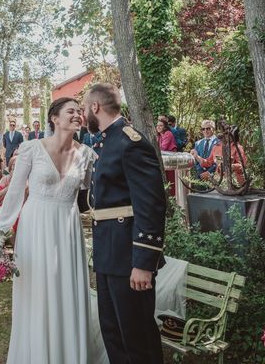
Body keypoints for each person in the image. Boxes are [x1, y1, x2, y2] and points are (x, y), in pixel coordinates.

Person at [0, 97, 97, 363]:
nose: (77, 115)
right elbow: (15, 193)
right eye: (70, 111)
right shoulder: (31, 149)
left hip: (68, 226)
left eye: (79, 112)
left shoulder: (86, 154)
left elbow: (86, 196)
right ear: (54, 118)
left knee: (66, 289)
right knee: (37, 290)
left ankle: (68, 353)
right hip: (36, 225)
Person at [83, 83, 166, 364]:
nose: (84, 114)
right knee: (113, 333)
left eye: (84, 108)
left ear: (95, 107)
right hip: (108, 253)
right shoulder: (106, 141)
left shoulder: (131, 142)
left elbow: (151, 204)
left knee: (137, 337)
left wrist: (143, 262)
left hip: (129, 255)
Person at [156, 117, 177, 195]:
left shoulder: (168, 133)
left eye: (160, 125)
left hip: (170, 161)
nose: (158, 127)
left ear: (165, 127)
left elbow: (162, 148)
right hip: (164, 161)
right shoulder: (159, 135)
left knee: (170, 181)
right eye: (157, 125)